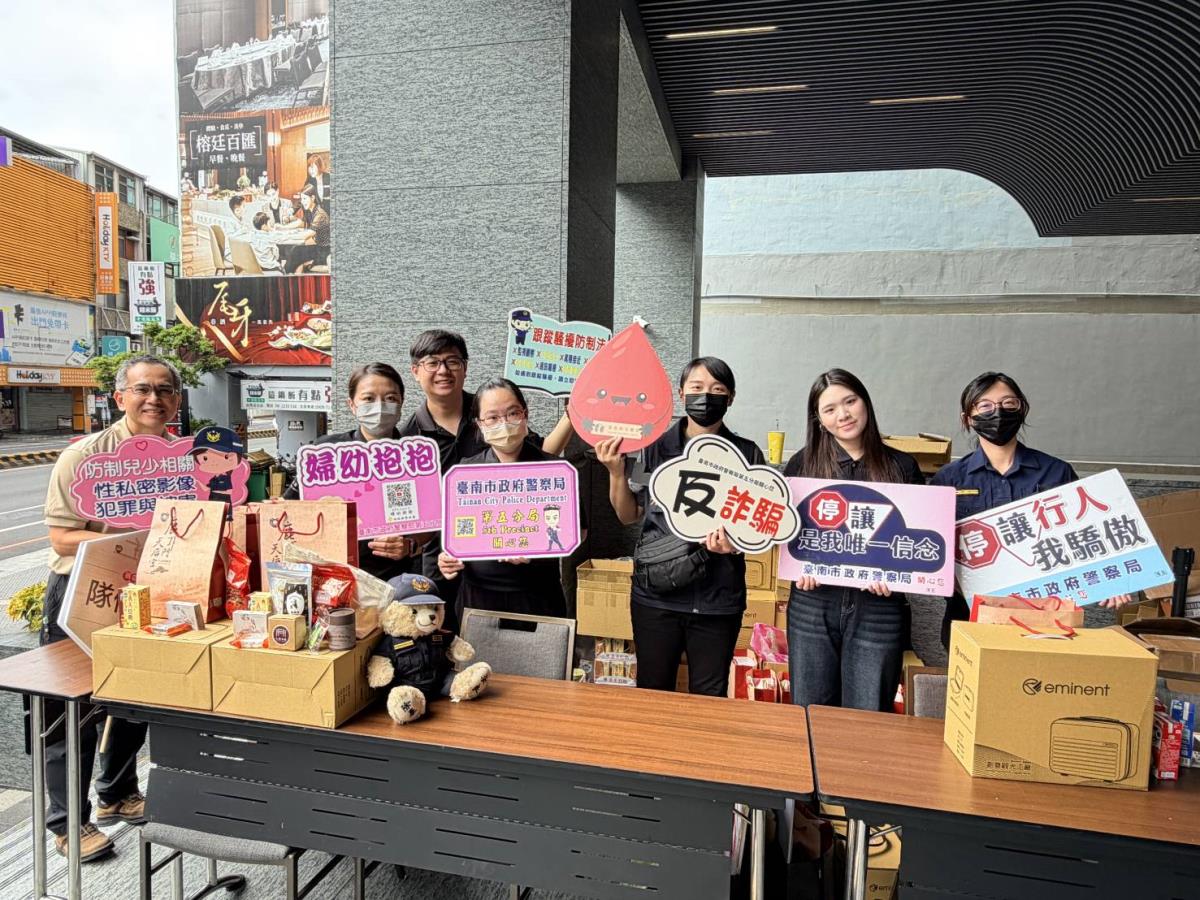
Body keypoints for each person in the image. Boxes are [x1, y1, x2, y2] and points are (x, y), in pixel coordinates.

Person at [40, 355, 183, 861]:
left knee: (135, 698)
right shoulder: (85, 456)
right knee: (73, 713)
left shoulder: (181, 459)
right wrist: (133, 539)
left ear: (177, 400)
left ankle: (117, 793)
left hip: (149, 594)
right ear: (120, 397)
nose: (154, 399)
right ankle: (66, 824)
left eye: (164, 390)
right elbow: (61, 538)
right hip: (84, 593)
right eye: (142, 389)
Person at [595, 356, 760, 696]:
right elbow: (629, 514)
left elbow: (759, 529)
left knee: (710, 698)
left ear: (730, 398)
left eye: (717, 390)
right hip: (657, 595)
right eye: (697, 387)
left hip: (718, 599)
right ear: (682, 393)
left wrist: (735, 544)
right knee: (653, 693)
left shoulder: (747, 455)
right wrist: (615, 473)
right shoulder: (654, 448)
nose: (706, 396)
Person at [931, 372, 1132, 648]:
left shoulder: (1056, 472)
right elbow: (933, 544)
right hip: (968, 614)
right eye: (985, 406)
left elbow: (1087, 533)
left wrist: (1114, 577)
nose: (998, 412)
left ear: (1022, 409)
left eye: (1008, 403)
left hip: (1043, 615)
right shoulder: (949, 479)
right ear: (968, 419)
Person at [401, 330, 574, 621]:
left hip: (529, 581)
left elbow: (541, 460)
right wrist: (418, 544)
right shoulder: (407, 438)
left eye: (452, 361)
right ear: (416, 371)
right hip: (449, 562)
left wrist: (572, 415)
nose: (443, 370)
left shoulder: (490, 405)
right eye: (432, 362)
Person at [784, 368, 925, 711]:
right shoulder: (802, 465)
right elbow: (788, 534)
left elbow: (916, 542)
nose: (843, 414)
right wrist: (799, 565)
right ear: (818, 420)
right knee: (811, 712)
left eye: (850, 401)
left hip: (879, 607)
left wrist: (897, 575)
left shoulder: (901, 466)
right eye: (830, 409)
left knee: (868, 716)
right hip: (813, 602)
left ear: (865, 403)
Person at [438, 377, 583, 621]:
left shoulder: (555, 471)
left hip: (538, 596)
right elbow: (455, 533)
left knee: (542, 648)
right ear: (479, 424)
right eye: (492, 418)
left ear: (525, 414)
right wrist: (449, 558)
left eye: (512, 413)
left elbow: (580, 531)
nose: (504, 423)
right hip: (479, 598)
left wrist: (536, 545)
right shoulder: (465, 473)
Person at [285, 363, 426, 582]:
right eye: (368, 399)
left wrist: (410, 544)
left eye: (390, 398)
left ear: (401, 403)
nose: (380, 407)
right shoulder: (326, 451)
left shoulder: (416, 457)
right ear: (352, 405)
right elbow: (289, 507)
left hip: (392, 580)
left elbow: (432, 521)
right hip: (330, 577)